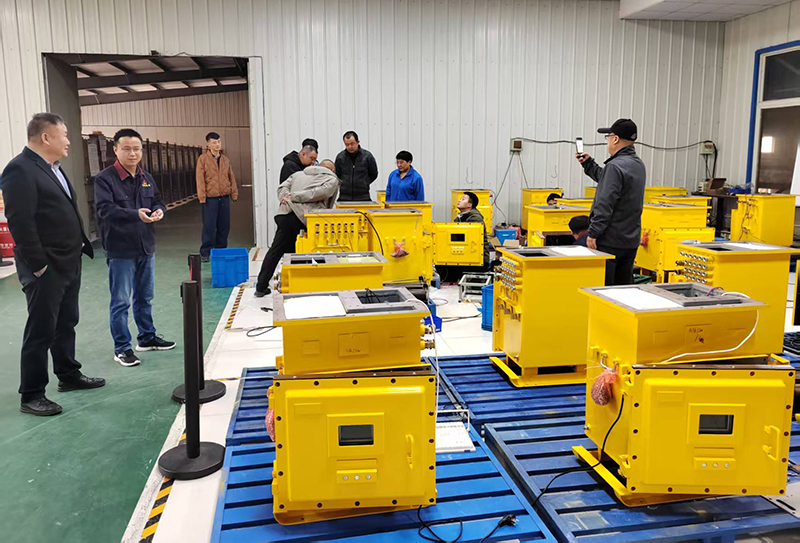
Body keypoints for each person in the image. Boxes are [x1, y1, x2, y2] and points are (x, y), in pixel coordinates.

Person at [1, 113, 105, 416]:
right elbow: (20, 222)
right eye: (65, 134)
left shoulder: (52, 168)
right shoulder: (19, 169)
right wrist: (39, 266)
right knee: (41, 329)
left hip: (68, 261)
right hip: (45, 267)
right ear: (46, 137)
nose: (69, 141)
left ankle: (68, 374)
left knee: (66, 322)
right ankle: (32, 394)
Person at [94, 129, 176, 367]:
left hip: (145, 246)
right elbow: (104, 209)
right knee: (121, 301)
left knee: (145, 297)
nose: (133, 153)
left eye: (137, 149)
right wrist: (135, 214)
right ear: (115, 150)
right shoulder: (105, 179)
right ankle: (122, 348)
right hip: (121, 249)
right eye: (127, 149)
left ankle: (147, 338)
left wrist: (160, 210)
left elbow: (157, 200)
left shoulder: (145, 176)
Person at [576, 118, 646, 285]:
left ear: (615, 139)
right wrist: (589, 164)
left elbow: (605, 203)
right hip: (630, 240)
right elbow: (607, 180)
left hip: (610, 241)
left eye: (608, 137)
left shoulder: (614, 166)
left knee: (604, 291)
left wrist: (593, 232)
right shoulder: (638, 164)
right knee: (623, 290)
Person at [255, 160, 340, 296]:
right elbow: (319, 193)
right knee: (298, 251)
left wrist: (286, 197)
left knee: (281, 250)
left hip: (284, 214)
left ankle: (281, 284)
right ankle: (268, 286)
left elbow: (282, 188)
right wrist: (294, 197)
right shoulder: (332, 179)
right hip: (302, 218)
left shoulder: (298, 174)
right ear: (332, 170)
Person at [196, 131, 238, 262]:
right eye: (214, 143)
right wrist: (202, 197)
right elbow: (200, 179)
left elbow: (231, 177)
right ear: (208, 144)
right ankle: (205, 252)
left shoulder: (225, 159)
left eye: (219, 142)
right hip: (210, 198)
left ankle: (221, 250)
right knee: (209, 225)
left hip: (224, 197)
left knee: (224, 225)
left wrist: (234, 193)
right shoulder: (203, 159)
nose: (217, 145)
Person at [437, 191, 491, 283]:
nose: (459, 200)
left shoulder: (475, 218)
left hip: (478, 260)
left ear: (469, 205)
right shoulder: (461, 217)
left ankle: (451, 283)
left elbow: (464, 239)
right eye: (460, 199)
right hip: (468, 255)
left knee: (444, 265)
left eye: (463, 199)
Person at [335, 131, 378, 201]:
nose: (350, 147)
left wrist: (364, 183)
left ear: (358, 142)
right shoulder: (340, 157)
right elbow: (337, 174)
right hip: (344, 197)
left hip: (363, 197)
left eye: (352, 144)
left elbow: (374, 174)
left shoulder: (367, 156)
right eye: (347, 144)